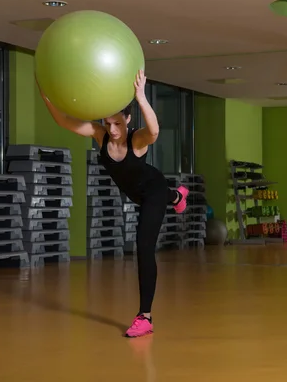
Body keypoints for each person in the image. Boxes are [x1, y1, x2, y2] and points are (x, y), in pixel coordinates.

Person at [38, 70, 189, 338]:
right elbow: (64, 121)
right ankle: (177, 196)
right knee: (164, 198)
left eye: (118, 123)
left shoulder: (137, 139)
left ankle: (145, 316)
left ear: (128, 119)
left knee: (143, 246)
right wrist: (46, 94)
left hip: (152, 189)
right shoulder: (101, 135)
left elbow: (154, 130)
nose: (113, 129)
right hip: (136, 192)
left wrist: (141, 97)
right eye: (108, 123)